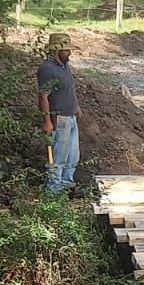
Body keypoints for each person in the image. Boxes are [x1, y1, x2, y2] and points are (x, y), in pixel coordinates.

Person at [37, 33, 82, 194]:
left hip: (71, 117)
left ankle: (67, 184)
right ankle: (53, 190)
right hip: (59, 119)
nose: (70, 53)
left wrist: (76, 106)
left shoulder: (64, 65)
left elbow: (69, 88)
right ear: (57, 51)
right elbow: (43, 96)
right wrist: (47, 121)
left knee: (73, 155)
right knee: (58, 157)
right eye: (66, 50)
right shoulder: (47, 69)